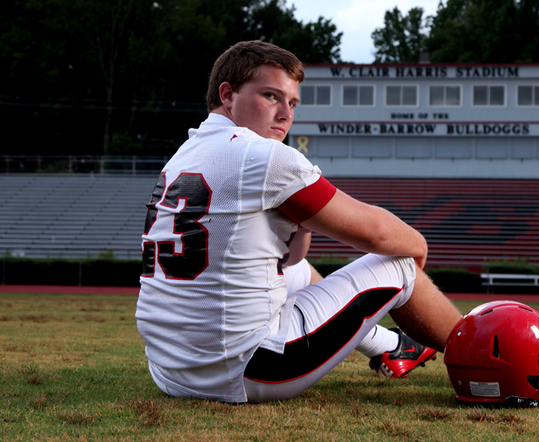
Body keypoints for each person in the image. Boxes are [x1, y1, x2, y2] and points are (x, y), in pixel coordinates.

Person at [136, 40, 463, 403]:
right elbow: (378, 233)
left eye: (292, 102)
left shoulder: (186, 152)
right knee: (399, 263)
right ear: (227, 94)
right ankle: (478, 355)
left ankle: (391, 345)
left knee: (298, 272)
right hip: (248, 369)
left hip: (170, 370)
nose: (285, 114)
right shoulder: (261, 154)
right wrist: (419, 248)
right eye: (271, 96)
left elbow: (289, 258)